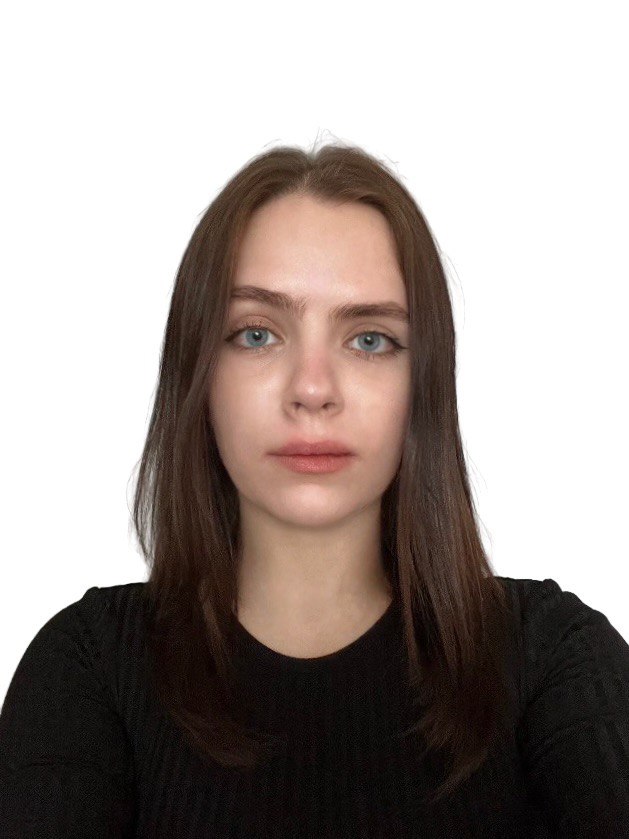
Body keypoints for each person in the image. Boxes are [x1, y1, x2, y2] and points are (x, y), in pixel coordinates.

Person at [1, 141, 628, 838]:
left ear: (423, 384)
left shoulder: (553, 658)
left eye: (369, 340)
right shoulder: (87, 670)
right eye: (257, 334)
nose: (311, 389)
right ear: (197, 374)